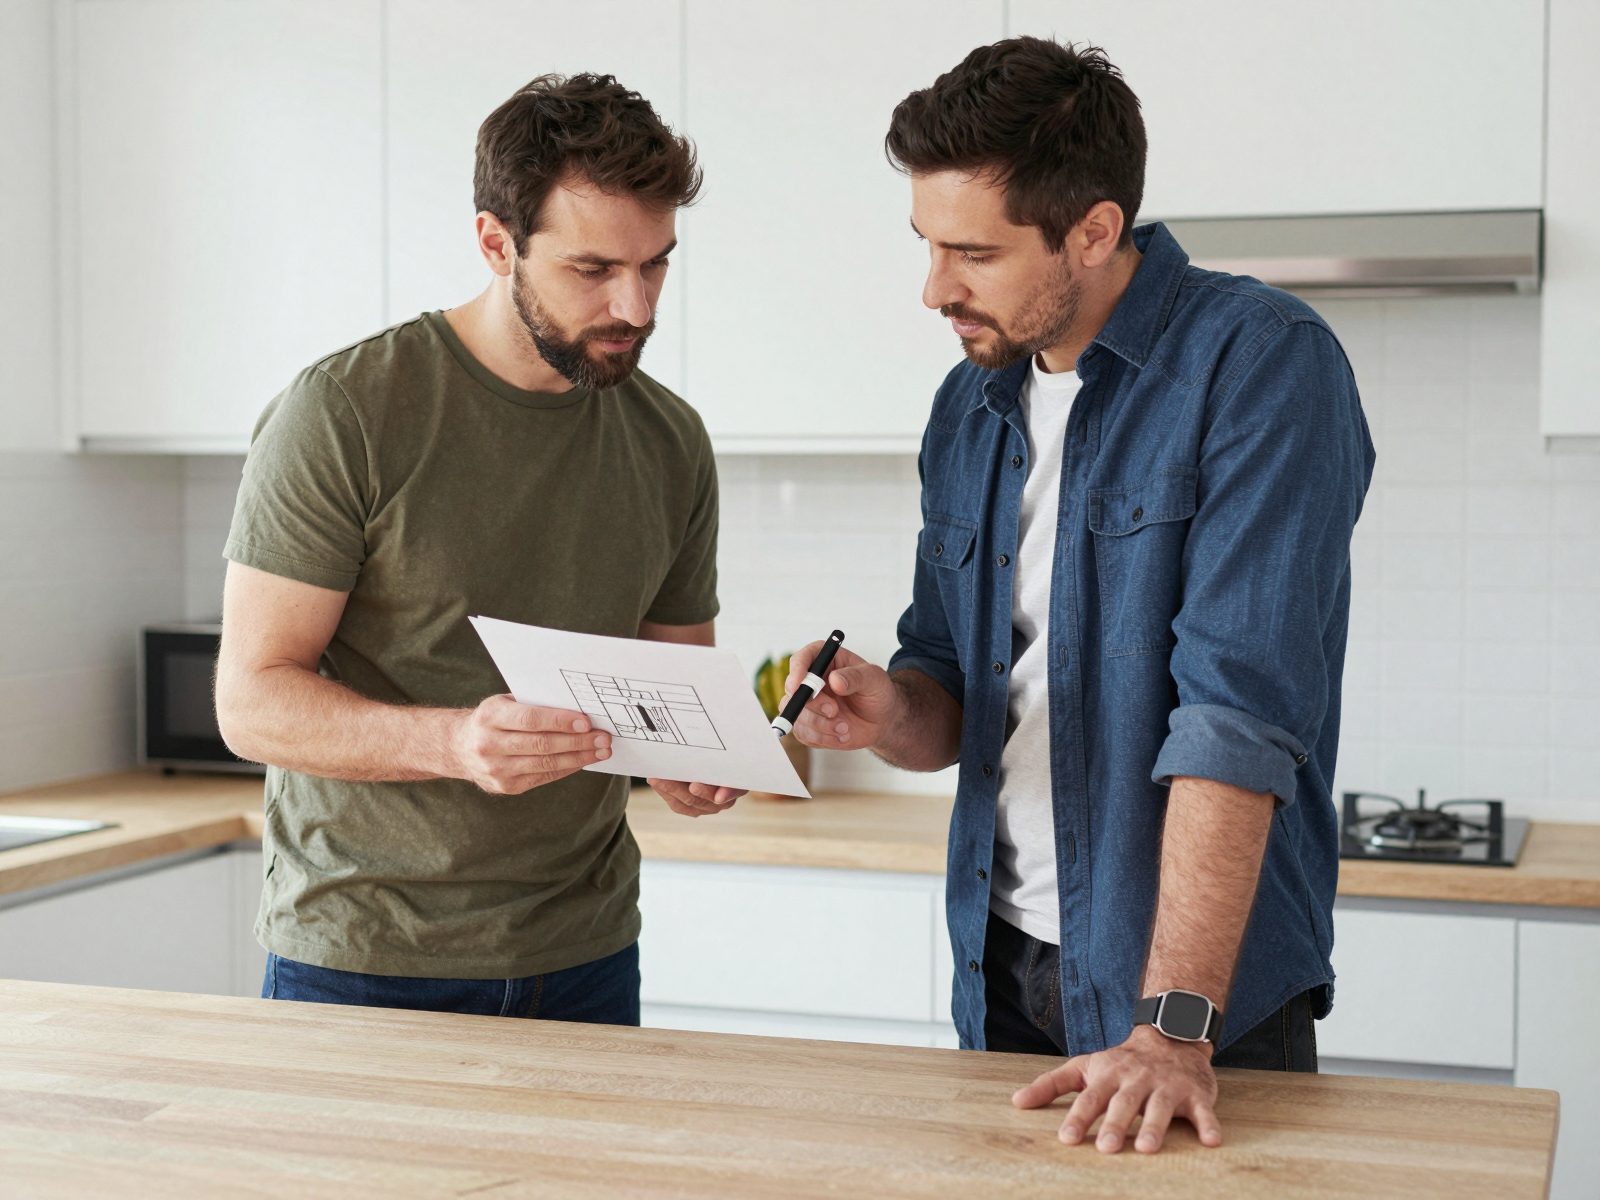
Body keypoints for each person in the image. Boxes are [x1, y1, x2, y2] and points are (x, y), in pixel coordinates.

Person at [784, 38, 1373, 1154]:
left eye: (972, 251)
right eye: (925, 243)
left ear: (1094, 231)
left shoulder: (1260, 364)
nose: (932, 289)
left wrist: (1173, 1026)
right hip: (1000, 964)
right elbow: (952, 688)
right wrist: (887, 711)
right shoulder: (970, 407)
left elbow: (1236, 719)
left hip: (1195, 1009)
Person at [215, 73, 742, 1026]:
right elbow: (251, 702)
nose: (636, 304)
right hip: (363, 955)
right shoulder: (345, 413)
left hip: (585, 952)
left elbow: (671, 694)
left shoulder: (670, 439)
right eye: (593, 270)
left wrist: (691, 758)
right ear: (497, 243)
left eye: (657, 264)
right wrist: (454, 743)